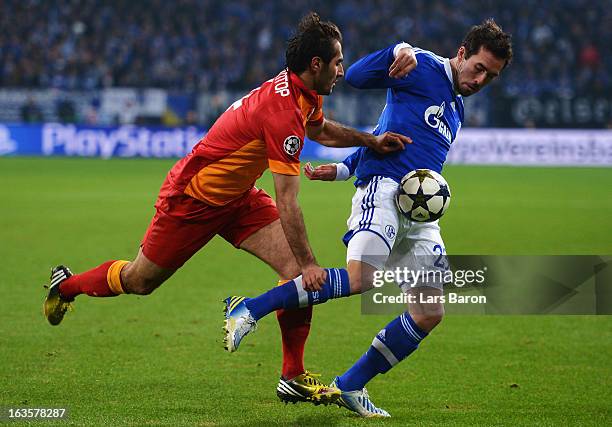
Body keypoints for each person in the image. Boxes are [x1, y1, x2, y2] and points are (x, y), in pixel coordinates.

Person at [43, 12, 409, 405]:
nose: (341, 71)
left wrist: (370, 141)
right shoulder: (282, 113)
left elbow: (318, 129)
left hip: (238, 199)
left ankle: (293, 375)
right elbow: (287, 199)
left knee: (292, 277)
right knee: (140, 281)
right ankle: (66, 284)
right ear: (315, 64)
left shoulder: (304, 94)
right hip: (193, 199)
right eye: (337, 63)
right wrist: (309, 263)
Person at [224, 19, 512, 417]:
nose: (481, 79)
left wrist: (342, 169)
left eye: (491, 76)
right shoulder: (422, 66)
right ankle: (249, 308)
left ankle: (350, 385)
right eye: (479, 68)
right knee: (363, 278)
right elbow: (357, 76)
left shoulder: (457, 107)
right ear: (462, 53)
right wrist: (398, 50)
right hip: (386, 192)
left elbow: (385, 136)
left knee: (430, 311)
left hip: (421, 214)